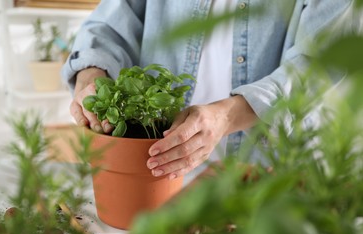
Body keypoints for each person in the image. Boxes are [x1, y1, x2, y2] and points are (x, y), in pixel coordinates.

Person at [62, 0, 353, 181]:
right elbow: (109, 24)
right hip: (160, 178)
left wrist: (224, 117)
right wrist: (91, 76)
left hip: (265, 176)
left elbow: (320, 64)